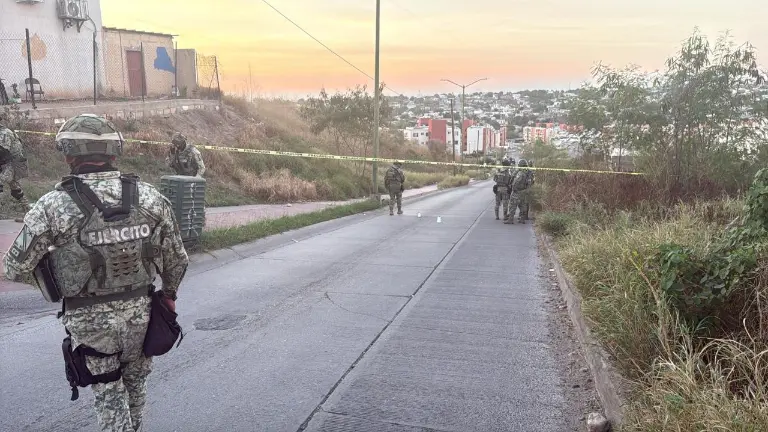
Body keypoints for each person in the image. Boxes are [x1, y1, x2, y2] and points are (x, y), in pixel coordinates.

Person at [3, 114, 189, 432]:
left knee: (108, 395)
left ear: (69, 155)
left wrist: (56, 283)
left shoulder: (51, 206)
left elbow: (15, 266)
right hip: (141, 317)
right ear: (114, 153)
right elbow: (177, 261)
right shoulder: (151, 198)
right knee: (135, 391)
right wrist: (169, 296)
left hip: (89, 322)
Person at [0, 113, 31, 209]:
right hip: (7, 162)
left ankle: (30, 212)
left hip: (13, 163)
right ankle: (29, 211)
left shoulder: (4, 133)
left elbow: (3, 151)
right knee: (16, 190)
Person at [507, 159, 535, 224]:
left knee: (512, 205)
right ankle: (522, 219)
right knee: (523, 205)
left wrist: (513, 188)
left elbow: (516, 181)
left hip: (517, 191)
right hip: (525, 191)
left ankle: (510, 220)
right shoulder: (529, 173)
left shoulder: (520, 173)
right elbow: (532, 182)